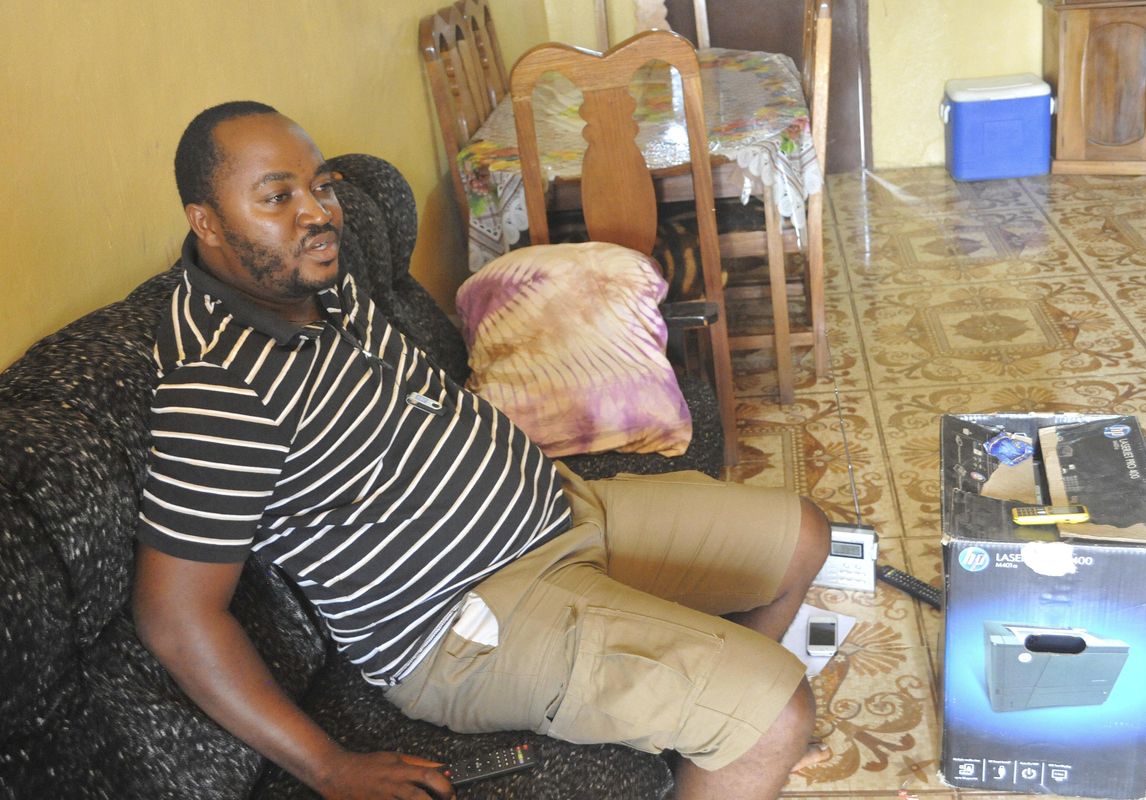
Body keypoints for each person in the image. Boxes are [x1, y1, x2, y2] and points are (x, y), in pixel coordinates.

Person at [132, 100, 833, 800]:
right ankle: (740, 730)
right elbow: (175, 616)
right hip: (469, 623)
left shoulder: (316, 279)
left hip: (563, 512)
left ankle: (714, 742)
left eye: (320, 186)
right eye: (277, 196)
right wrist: (328, 766)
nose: (317, 213)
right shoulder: (216, 387)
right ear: (207, 221)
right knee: (775, 715)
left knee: (802, 536)